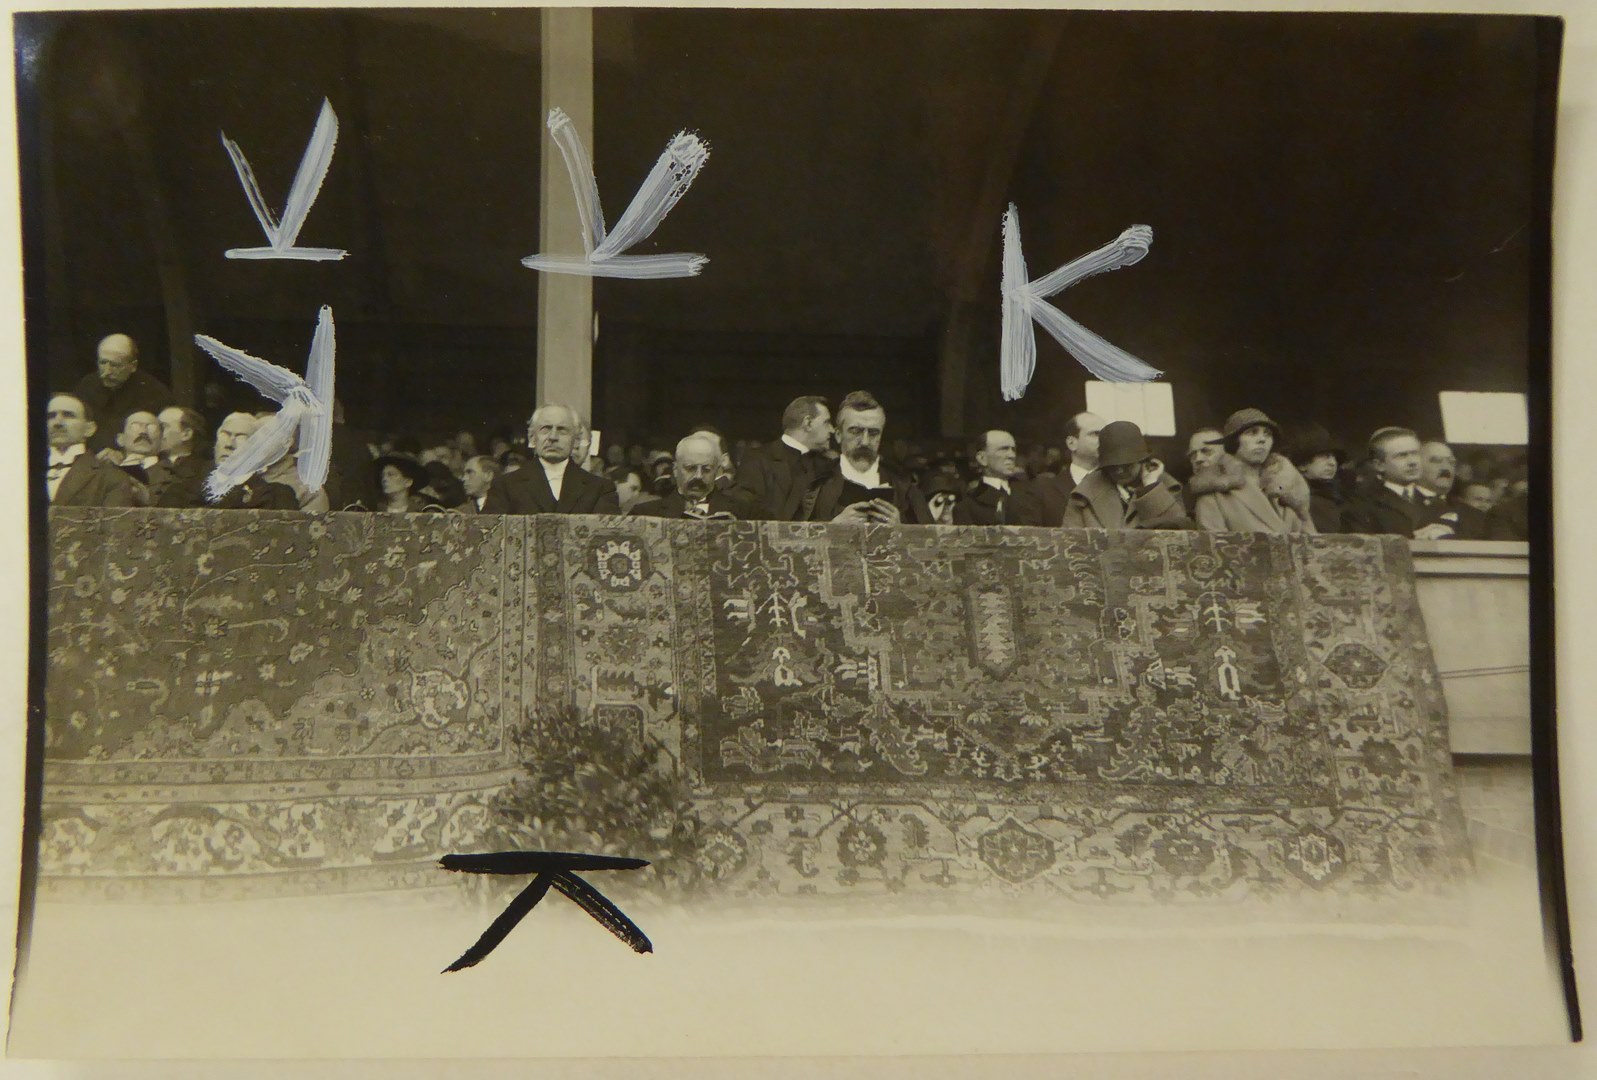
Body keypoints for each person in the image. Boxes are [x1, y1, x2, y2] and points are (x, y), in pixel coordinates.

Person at [803, 390, 931, 524]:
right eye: (855, 431)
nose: (864, 442)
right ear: (838, 435)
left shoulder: (904, 488)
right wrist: (834, 527)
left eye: (873, 433)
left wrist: (899, 530)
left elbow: (930, 535)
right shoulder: (814, 484)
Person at [1189, 409, 1316, 534]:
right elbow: (1213, 543)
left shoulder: (1287, 490)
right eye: (1252, 433)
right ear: (1234, 442)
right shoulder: (1214, 493)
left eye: (1267, 434)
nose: (1262, 439)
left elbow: (1311, 541)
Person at [482, 404, 621, 515]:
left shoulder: (600, 489)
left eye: (562, 430)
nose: (553, 437)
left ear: (576, 440)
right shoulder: (505, 486)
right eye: (545, 429)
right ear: (532, 438)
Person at [1061, 420, 1191, 530]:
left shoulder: (1167, 487)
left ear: (1142, 461)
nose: (1119, 471)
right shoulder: (1085, 493)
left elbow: (1179, 533)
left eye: (1127, 465)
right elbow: (1070, 540)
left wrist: (1151, 488)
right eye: (1112, 466)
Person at [730, 395, 834, 521]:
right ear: (808, 423)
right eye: (826, 422)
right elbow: (746, 514)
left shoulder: (829, 467)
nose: (832, 430)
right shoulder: (756, 461)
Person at [1341, 427, 1455, 538]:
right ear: (1379, 465)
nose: (1413, 462)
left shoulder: (1437, 502)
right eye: (1401, 456)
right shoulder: (1360, 504)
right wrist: (1414, 538)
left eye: (1415, 454)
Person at [73, 334, 173, 452]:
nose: (107, 372)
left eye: (115, 365)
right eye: (103, 363)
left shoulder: (155, 393)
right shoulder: (87, 386)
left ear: (133, 366)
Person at [1010, 411, 1104, 527]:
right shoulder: (1043, 490)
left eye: (1106, 434)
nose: (1104, 439)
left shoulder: (1116, 487)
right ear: (1071, 443)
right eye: (1095, 434)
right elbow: (1030, 535)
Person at [44, 393, 136, 507]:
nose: (57, 423)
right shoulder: (24, 470)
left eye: (68, 415)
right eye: (50, 416)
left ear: (89, 429)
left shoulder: (112, 478)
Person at [635, 434, 746, 519]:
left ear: (716, 471)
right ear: (675, 470)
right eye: (690, 468)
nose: (698, 476)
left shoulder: (743, 513)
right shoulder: (645, 514)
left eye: (706, 469)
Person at [208, 412, 299, 509]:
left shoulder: (274, 495)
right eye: (224, 435)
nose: (229, 444)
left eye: (241, 437)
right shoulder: (197, 481)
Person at [1287, 423, 1345, 534]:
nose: (1333, 463)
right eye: (1325, 456)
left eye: (1335, 458)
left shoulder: (1335, 498)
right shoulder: (1295, 500)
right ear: (1303, 465)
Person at [953, 430, 1020, 525]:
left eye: (1013, 449)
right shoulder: (967, 507)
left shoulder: (1031, 495)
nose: (1012, 455)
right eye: (1003, 449)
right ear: (982, 458)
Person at [153, 406, 211, 508]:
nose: (156, 433)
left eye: (163, 427)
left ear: (186, 434)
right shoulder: (144, 467)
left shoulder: (206, 472)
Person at [110, 411, 164, 506]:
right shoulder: (105, 471)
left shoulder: (173, 475)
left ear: (162, 441)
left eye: (151, 427)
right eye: (135, 426)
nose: (143, 432)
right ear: (120, 439)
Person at [372, 454, 442, 514]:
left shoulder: (424, 511)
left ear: (408, 482)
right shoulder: (374, 510)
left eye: (391, 475)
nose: (384, 479)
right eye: (382, 476)